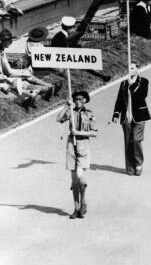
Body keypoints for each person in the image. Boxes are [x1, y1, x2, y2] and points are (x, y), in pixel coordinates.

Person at [56, 90, 97, 219]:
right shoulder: (71, 112)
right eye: (75, 100)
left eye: (80, 99)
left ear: (85, 100)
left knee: (80, 177)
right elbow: (58, 119)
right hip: (71, 146)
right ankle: (76, 208)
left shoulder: (89, 114)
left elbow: (94, 132)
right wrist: (66, 106)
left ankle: (83, 200)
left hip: (83, 146)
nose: (78, 102)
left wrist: (78, 133)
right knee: (74, 181)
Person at [112, 63, 150, 176]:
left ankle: (138, 163)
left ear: (137, 69)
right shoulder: (123, 83)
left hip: (139, 116)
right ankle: (130, 167)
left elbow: (142, 96)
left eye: (133, 68)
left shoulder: (143, 81)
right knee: (128, 141)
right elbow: (119, 99)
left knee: (136, 139)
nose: (130, 70)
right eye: (128, 68)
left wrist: (132, 85)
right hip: (126, 117)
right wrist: (116, 114)